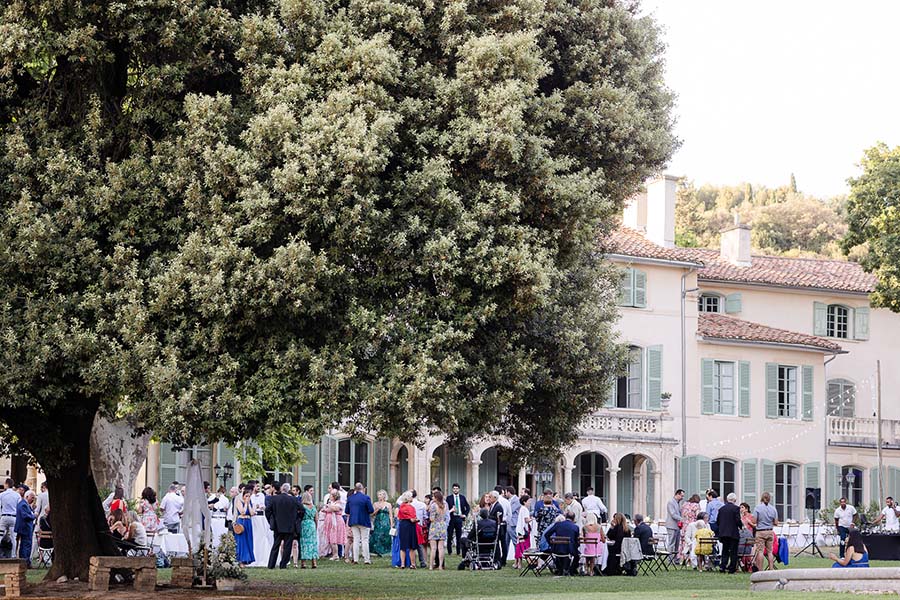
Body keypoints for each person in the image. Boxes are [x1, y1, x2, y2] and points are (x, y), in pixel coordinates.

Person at [265, 483, 299, 569]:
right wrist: (295, 519)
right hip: (290, 526)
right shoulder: (293, 500)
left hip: (277, 525)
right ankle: (283, 564)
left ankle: (271, 564)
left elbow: (267, 510)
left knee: (276, 545)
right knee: (287, 547)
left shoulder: (274, 499)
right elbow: (302, 510)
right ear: (289, 490)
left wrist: (271, 520)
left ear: (281, 489)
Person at [345, 482, 375, 565]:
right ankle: (366, 559)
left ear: (355, 489)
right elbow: (371, 510)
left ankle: (355, 559)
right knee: (365, 540)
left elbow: (347, 511)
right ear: (363, 489)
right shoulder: (366, 498)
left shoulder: (350, 498)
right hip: (364, 520)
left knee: (356, 540)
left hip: (353, 521)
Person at [543, 511, 580, 576]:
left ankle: (560, 570)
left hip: (557, 549)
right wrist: (576, 546)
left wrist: (552, 544)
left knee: (560, 554)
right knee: (577, 555)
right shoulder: (575, 527)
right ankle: (571, 570)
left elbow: (547, 534)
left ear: (565, 517)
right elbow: (576, 540)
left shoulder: (558, 524)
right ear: (573, 518)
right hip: (570, 549)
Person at [751, 492, 779, 572]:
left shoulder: (757, 508)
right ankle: (771, 568)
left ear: (762, 498)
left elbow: (754, 521)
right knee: (770, 551)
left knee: (760, 551)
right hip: (770, 531)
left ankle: (760, 570)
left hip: (760, 531)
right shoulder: (773, 508)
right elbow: (776, 522)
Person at [717, 493, 743, 574]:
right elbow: (737, 520)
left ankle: (723, 566)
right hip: (733, 533)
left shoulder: (721, 509)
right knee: (733, 552)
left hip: (724, 533)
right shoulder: (736, 508)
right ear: (734, 500)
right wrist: (741, 526)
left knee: (725, 550)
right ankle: (732, 568)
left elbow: (718, 521)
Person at [322, 487, 347, 561]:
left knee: (334, 538)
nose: (329, 497)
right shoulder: (331, 503)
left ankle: (336, 555)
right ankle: (334, 553)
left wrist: (328, 506)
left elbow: (335, 509)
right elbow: (327, 509)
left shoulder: (338, 503)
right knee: (330, 538)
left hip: (336, 522)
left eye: (331, 495)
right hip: (330, 521)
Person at [396, 492, 419, 569]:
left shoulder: (401, 506)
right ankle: (412, 564)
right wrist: (417, 520)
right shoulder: (411, 507)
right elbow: (412, 519)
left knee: (403, 546)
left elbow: (398, 517)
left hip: (402, 525)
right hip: (410, 526)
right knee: (411, 546)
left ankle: (402, 564)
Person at [428, 490, 449, 570]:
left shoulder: (434, 506)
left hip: (435, 526)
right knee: (441, 548)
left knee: (433, 548)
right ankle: (440, 565)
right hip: (442, 526)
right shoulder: (445, 505)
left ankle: (431, 565)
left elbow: (431, 518)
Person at [233, 488, 255, 566]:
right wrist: (245, 503)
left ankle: (247, 559)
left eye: (249, 496)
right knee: (242, 541)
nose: (248, 497)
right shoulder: (239, 501)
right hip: (241, 522)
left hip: (248, 522)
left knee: (248, 540)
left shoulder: (250, 502)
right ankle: (241, 560)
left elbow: (252, 513)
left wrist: (248, 504)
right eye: (246, 496)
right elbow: (242, 512)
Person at [446, 483, 469, 556]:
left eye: (457, 488)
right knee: (450, 535)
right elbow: (446, 508)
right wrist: (450, 510)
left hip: (459, 517)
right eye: (454, 488)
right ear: (452, 489)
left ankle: (458, 551)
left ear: (459, 489)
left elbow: (467, 507)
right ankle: (449, 551)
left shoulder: (462, 497)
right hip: (451, 518)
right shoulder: (449, 498)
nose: (455, 490)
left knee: (459, 535)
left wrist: (464, 514)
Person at [678, 494, 701, 564]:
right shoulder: (696, 506)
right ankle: (690, 559)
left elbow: (681, 514)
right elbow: (698, 516)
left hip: (685, 524)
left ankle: (682, 558)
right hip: (692, 525)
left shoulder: (685, 504)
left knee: (683, 541)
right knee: (691, 541)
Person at [14, 489, 35, 566]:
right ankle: (25, 561)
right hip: (25, 528)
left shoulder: (24, 504)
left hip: (24, 527)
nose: (33, 500)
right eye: (32, 497)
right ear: (27, 496)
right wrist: (33, 516)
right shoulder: (23, 504)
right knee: (26, 544)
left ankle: (24, 561)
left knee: (24, 545)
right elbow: (25, 516)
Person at [582, 511, 606, 576]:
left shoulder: (585, 527)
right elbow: (603, 539)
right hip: (596, 549)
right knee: (592, 557)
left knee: (588, 555)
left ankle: (587, 569)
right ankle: (591, 571)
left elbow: (583, 538)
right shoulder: (599, 527)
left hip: (587, 548)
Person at [370, 489, 393, 557]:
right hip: (378, 522)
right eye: (378, 495)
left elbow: (390, 515)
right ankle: (377, 551)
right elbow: (372, 514)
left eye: (380, 495)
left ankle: (385, 551)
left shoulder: (388, 504)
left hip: (386, 522)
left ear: (384, 496)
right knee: (377, 536)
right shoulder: (375, 504)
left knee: (385, 536)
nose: (379, 496)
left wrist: (391, 524)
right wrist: (377, 509)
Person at [298, 491, 318, 569]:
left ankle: (304, 563)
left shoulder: (302, 507)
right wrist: (316, 527)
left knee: (304, 542)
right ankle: (314, 562)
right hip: (312, 524)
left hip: (304, 524)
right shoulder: (313, 507)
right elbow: (316, 518)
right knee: (313, 543)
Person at [0, 478, 19, 558]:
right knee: (13, 537)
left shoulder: (2, 495)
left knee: (0, 535)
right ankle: (13, 555)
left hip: (4, 516)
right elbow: (18, 507)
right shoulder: (17, 495)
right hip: (13, 517)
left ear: (7, 484)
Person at [665, 489, 684, 561]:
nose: (682, 497)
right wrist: (681, 519)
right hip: (671, 526)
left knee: (677, 543)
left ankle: (675, 558)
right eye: (681, 496)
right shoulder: (671, 502)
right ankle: (669, 559)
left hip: (677, 526)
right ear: (677, 494)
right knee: (671, 543)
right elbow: (673, 514)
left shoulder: (678, 503)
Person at [410, 490, 428, 568]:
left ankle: (411, 562)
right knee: (419, 544)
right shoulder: (422, 504)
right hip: (419, 525)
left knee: (410, 545)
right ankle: (422, 561)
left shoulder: (408, 504)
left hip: (410, 525)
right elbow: (425, 516)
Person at [514, 494, 532, 569]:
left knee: (519, 546)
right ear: (524, 502)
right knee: (523, 547)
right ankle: (520, 563)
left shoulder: (522, 509)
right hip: (523, 531)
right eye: (528, 501)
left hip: (520, 530)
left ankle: (517, 563)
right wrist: (532, 519)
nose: (530, 502)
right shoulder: (525, 509)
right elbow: (526, 520)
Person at [504, 487, 520, 557]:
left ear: (509, 492)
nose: (505, 494)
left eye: (506, 492)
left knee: (515, 541)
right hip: (508, 523)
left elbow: (511, 510)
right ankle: (504, 558)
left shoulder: (516, 500)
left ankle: (517, 557)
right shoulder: (509, 500)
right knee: (505, 542)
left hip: (513, 523)